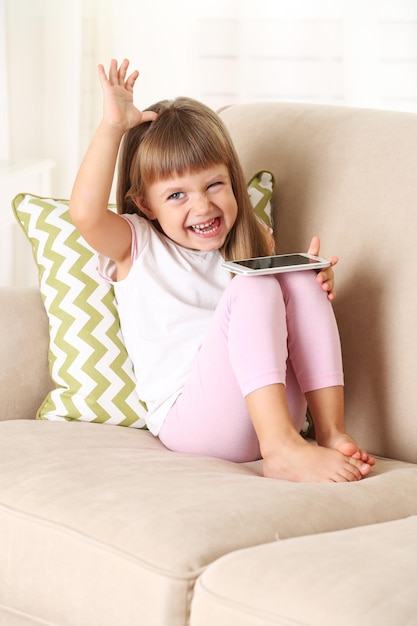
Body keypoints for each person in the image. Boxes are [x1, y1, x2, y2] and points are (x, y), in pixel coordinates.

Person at [69, 58, 376, 482]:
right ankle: (282, 449)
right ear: (145, 204)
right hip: (194, 423)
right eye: (177, 195)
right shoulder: (136, 244)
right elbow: (84, 213)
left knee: (295, 275)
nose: (203, 206)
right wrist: (113, 126)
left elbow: (276, 324)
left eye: (214, 185)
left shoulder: (252, 240)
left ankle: (330, 432)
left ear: (232, 180)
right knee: (256, 286)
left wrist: (314, 285)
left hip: (269, 409)